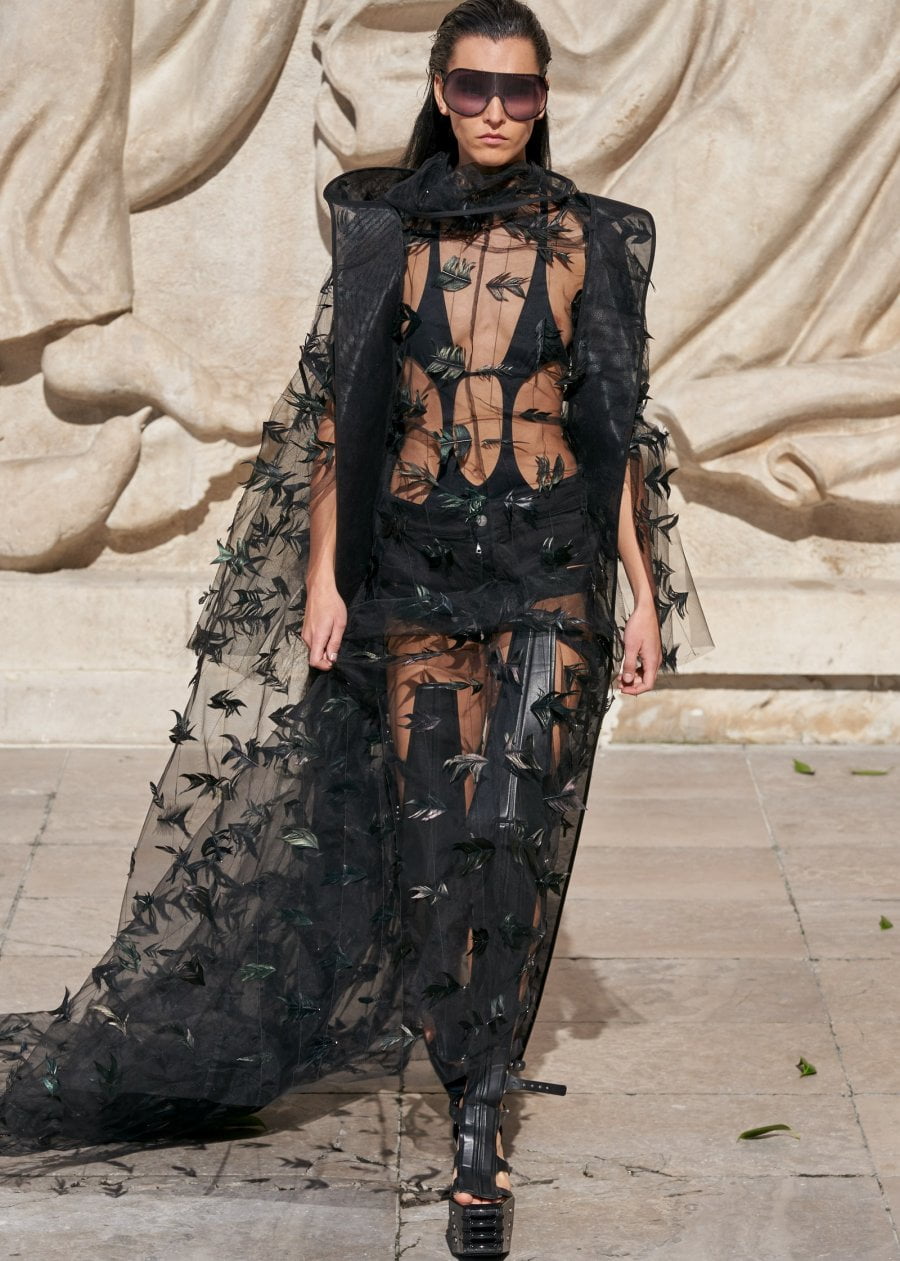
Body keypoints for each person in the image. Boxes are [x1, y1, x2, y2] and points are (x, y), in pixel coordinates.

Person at [0, 1, 713, 1256]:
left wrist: (643, 593)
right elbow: (345, 414)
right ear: (440, 90)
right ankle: (471, 1070)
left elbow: (611, 426)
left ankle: (479, 1128)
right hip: (416, 573)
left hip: (550, 572)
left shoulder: (594, 238)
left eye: (521, 90)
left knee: (512, 839)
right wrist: (326, 578)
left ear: (545, 100)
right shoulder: (380, 228)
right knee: (434, 848)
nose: (497, 110)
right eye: (475, 86)